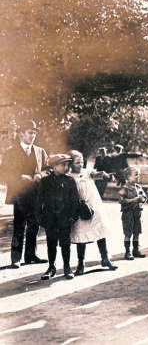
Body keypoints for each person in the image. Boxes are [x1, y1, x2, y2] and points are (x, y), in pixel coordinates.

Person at [1, 120, 49, 268]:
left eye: (34, 133)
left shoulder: (40, 151)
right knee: (19, 225)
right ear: (22, 134)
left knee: (34, 225)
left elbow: (49, 169)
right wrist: (19, 177)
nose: (32, 136)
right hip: (20, 194)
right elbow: (4, 172)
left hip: (36, 194)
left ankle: (31, 256)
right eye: (30, 133)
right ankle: (16, 258)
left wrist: (41, 175)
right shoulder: (11, 152)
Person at [68, 150, 117, 275]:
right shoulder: (68, 176)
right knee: (81, 234)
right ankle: (81, 263)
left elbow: (96, 174)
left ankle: (105, 258)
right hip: (80, 209)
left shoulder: (87, 172)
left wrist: (104, 174)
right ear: (71, 163)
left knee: (100, 231)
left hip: (94, 205)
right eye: (77, 162)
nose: (80, 165)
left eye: (82, 162)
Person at [36, 154, 80, 280]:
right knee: (51, 243)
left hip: (65, 218)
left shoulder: (70, 181)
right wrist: (39, 217)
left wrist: (73, 215)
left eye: (68, 165)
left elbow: (74, 200)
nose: (66, 167)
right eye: (63, 164)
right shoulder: (45, 181)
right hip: (50, 218)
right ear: (54, 166)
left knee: (65, 244)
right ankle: (51, 267)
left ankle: (67, 267)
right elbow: (39, 200)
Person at [118, 166, 147, 260]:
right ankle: (127, 252)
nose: (138, 177)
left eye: (138, 174)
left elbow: (145, 197)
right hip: (128, 214)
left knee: (136, 232)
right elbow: (121, 201)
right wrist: (133, 200)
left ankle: (136, 250)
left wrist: (142, 199)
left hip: (137, 214)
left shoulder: (138, 187)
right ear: (128, 177)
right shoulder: (124, 188)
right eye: (136, 175)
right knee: (128, 233)